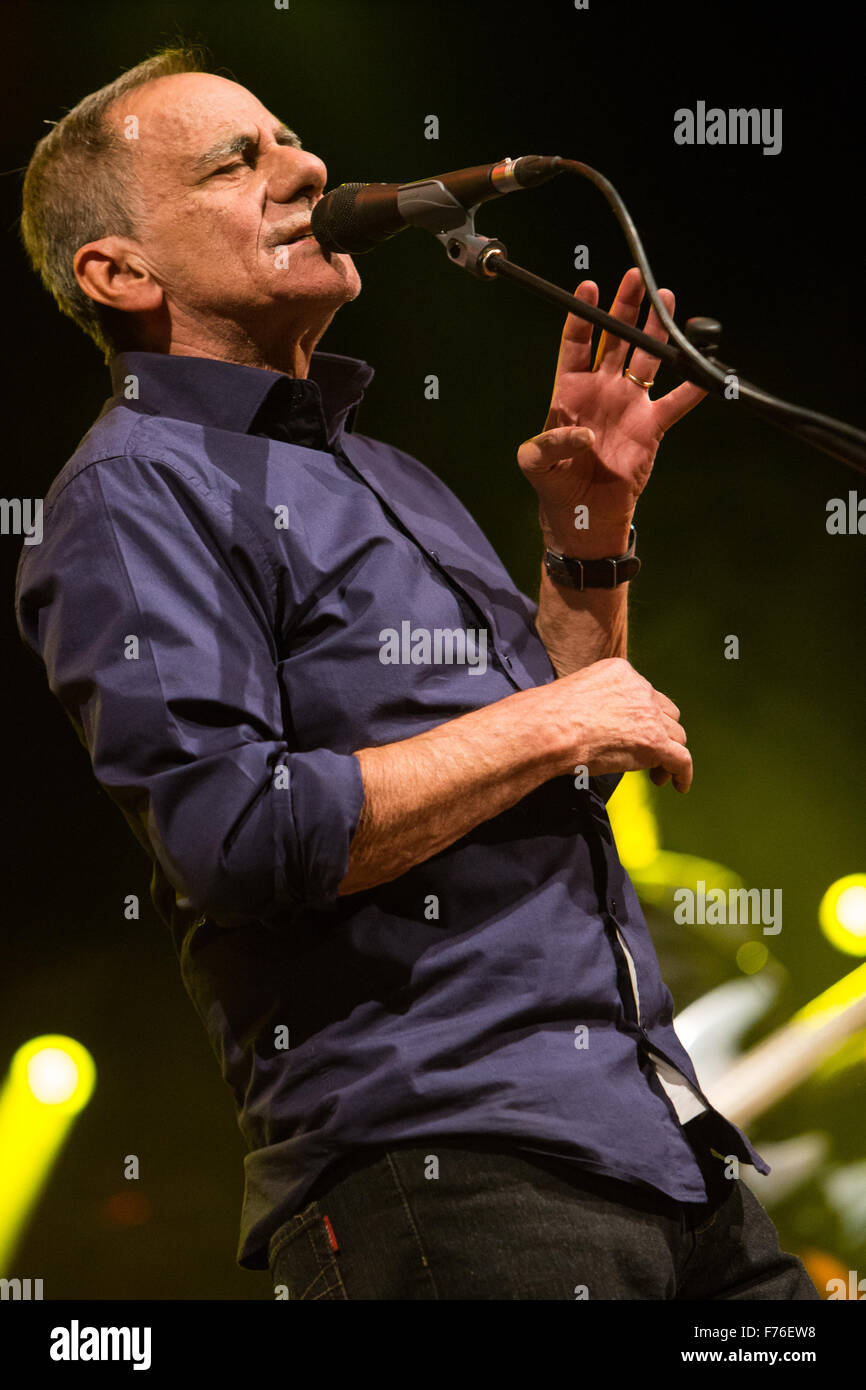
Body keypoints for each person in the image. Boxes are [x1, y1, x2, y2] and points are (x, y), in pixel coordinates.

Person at [16, 46, 818, 1300]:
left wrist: (585, 544)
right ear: (120, 272)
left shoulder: (385, 475)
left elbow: (562, 771)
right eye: (241, 159)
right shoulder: (132, 492)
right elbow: (236, 837)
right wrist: (552, 721)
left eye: (292, 139)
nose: (311, 167)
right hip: (447, 1176)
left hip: (665, 1154)